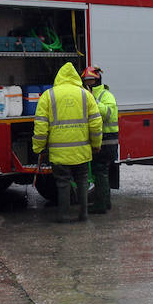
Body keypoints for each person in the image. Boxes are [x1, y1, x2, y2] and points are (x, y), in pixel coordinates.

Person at [33, 62, 103, 222]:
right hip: (82, 151)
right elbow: (96, 123)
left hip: (59, 153)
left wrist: (38, 148)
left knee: (63, 182)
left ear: (59, 77)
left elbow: (41, 126)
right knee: (83, 180)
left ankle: (63, 216)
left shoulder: (48, 96)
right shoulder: (86, 95)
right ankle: (83, 214)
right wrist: (96, 144)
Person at [80, 65, 119, 214]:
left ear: (97, 80)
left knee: (100, 172)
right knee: (101, 172)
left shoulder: (105, 95)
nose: (88, 83)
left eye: (91, 80)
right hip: (101, 140)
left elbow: (108, 114)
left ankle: (101, 205)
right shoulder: (87, 95)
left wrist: (93, 100)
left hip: (106, 141)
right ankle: (105, 202)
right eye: (86, 81)